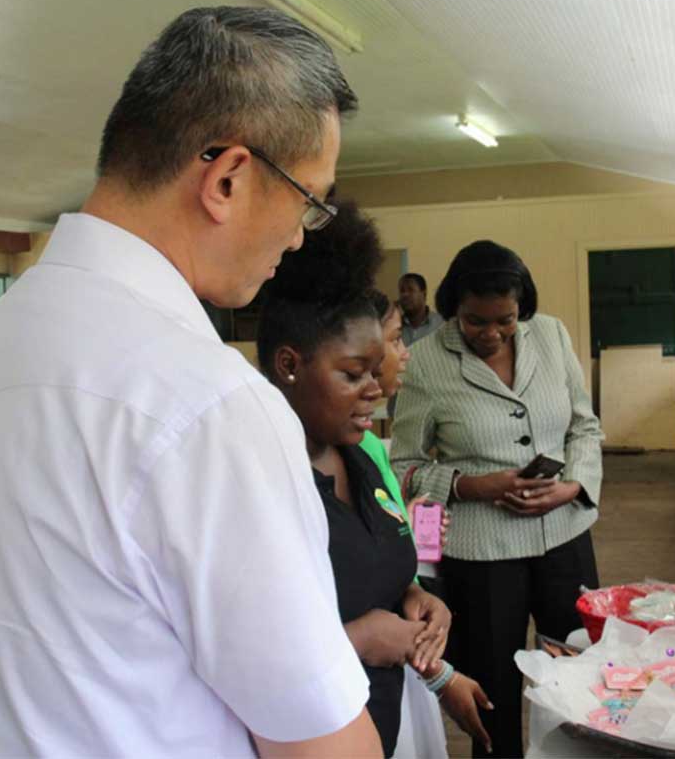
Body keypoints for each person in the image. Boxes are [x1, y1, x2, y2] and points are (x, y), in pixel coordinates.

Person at [0, 7, 383, 757]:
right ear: (227, 178)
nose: (298, 237)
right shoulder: (208, 401)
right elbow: (317, 742)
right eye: (310, 203)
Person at [257, 207, 492, 755]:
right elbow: (243, 657)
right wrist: (359, 639)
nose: (377, 388)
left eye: (375, 368)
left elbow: (379, 567)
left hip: (382, 722)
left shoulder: (360, 459)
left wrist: (414, 596)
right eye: (353, 373)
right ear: (290, 364)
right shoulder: (265, 488)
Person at [390, 240, 603, 758]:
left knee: (577, 676)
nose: (491, 334)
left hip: (564, 540)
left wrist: (572, 486)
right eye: (474, 321)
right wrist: (472, 486)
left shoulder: (551, 336)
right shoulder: (424, 361)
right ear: (453, 309)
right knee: (493, 694)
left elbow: (584, 427)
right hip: (482, 558)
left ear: (521, 307)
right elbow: (403, 465)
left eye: (504, 320)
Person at [398, 273, 444, 346]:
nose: (405, 295)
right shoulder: (396, 326)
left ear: (424, 294)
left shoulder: (440, 324)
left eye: (411, 290)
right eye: (402, 291)